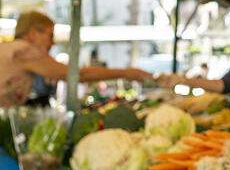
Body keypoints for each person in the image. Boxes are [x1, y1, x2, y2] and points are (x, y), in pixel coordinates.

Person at [0, 11, 153, 109]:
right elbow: (77, 75)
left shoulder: (9, 48)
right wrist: (126, 72)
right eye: (50, 35)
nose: (52, 42)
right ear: (33, 32)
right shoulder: (24, 52)